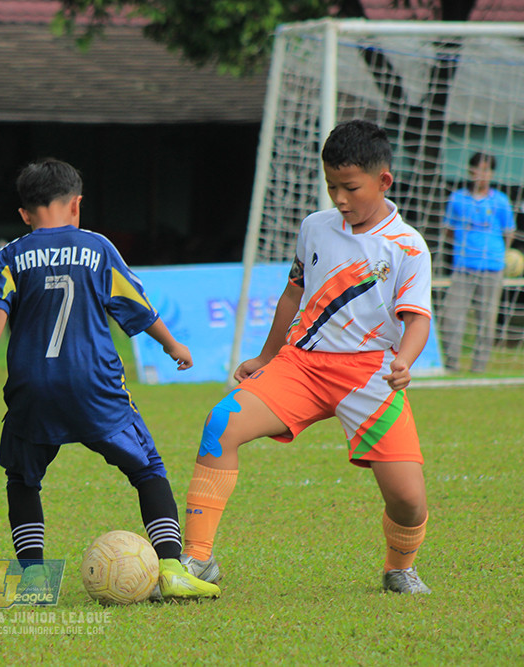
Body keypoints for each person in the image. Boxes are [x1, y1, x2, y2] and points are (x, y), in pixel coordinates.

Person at [181, 120, 434, 595]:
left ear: (384, 182)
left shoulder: (408, 247)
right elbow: (293, 293)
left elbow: (417, 319)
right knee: (221, 422)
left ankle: (400, 567)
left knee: (408, 500)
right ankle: (196, 561)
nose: (339, 198)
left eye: (350, 188)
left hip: (371, 375)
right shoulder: (314, 228)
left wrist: (406, 360)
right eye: (332, 186)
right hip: (302, 364)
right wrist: (265, 355)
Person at [0, 158, 220, 601]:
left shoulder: (10, 256)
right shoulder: (97, 248)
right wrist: (172, 346)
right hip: (95, 385)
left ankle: (34, 582)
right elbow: (136, 306)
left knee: (23, 480)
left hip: (33, 387)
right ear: (76, 204)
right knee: (147, 469)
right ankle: (173, 567)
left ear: (24, 214)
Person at [439, 152, 516, 373]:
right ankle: (452, 366)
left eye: (487, 170)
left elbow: (508, 232)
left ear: (491, 173)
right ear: (470, 170)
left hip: (492, 268)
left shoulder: (501, 200)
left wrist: (502, 254)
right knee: (451, 317)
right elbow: (449, 231)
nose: (482, 174)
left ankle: (478, 369)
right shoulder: (457, 199)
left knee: (486, 322)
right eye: (478, 169)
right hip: (463, 266)